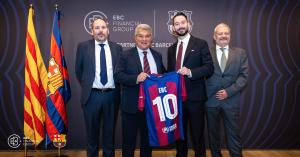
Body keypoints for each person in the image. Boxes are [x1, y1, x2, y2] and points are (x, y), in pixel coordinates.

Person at [167, 12, 214, 157]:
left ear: (189, 24)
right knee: (180, 135)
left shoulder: (201, 44)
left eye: (182, 22)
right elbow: (170, 73)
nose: (180, 26)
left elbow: (209, 68)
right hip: (177, 100)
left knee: (197, 135)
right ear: (173, 28)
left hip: (195, 99)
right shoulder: (171, 49)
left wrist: (190, 72)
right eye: (177, 24)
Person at [114, 24, 165, 157]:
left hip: (152, 107)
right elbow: (118, 76)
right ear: (135, 38)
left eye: (147, 36)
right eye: (141, 36)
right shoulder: (125, 55)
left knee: (148, 141)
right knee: (128, 142)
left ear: (151, 38)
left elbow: (164, 76)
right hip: (131, 107)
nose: (144, 39)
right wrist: (136, 78)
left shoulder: (157, 56)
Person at [75, 18, 122, 157]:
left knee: (109, 132)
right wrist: (89, 85)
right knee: (91, 133)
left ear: (108, 30)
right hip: (92, 96)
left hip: (111, 95)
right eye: (97, 28)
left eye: (103, 27)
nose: (100, 30)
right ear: (92, 31)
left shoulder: (117, 48)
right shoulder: (83, 47)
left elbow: (119, 71)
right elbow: (78, 70)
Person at [205, 23, 248, 157]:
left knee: (233, 133)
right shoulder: (206, 52)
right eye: (220, 33)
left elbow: (244, 76)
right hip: (211, 100)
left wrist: (228, 91)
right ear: (214, 36)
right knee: (213, 134)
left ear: (230, 35)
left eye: (226, 33)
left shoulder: (240, 53)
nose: (223, 36)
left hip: (231, 100)